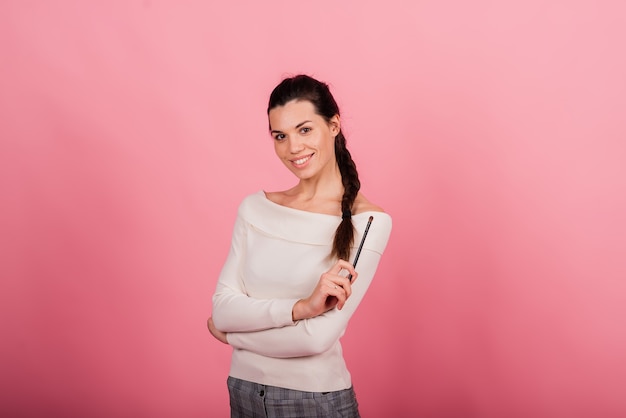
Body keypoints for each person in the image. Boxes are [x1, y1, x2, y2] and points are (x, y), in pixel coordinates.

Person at [207, 74, 392, 418]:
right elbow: (223, 310)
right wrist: (301, 309)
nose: (293, 148)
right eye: (281, 136)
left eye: (305, 130)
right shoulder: (255, 208)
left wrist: (231, 336)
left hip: (315, 400)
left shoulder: (368, 223)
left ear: (334, 125)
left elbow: (314, 340)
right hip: (243, 393)